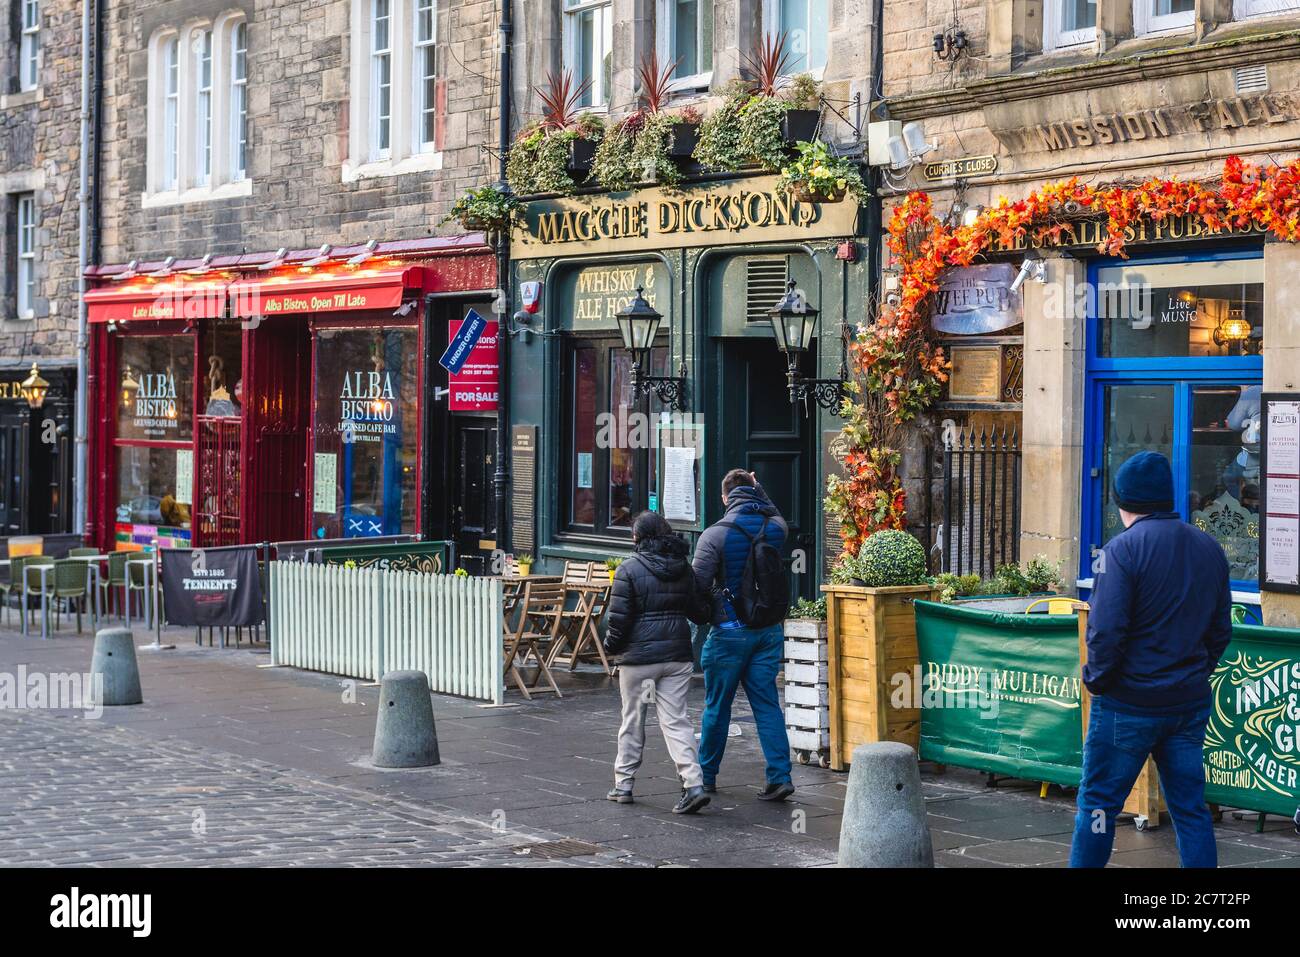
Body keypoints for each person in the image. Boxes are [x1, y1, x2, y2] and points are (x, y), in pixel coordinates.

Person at [1070, 450, 1232, 868]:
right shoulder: (1208, 547)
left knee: (1100, 807)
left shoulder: (1119, 551)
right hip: (1186, 704)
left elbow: (1104, 632)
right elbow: (1220, 631)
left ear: (1121, 500)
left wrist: (1097, 680)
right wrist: (1194, 672)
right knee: (1190, 810)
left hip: (1127, 705)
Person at [692, 468, 794, 801]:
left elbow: (696, 586)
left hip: (729, 632)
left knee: (717, 706)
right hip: (767, 631)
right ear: (753, 491)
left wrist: (707, 615)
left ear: (724, 498)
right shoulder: (775, 528)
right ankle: (779, 776)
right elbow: (776, 513)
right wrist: (759, 489)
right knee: (767, 704)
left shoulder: (714, 535)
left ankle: (705, 777)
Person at [603, 511, 712, 815]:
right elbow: (700, 613)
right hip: (676, 656)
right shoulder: (683, 568)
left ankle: (623, 785)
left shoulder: (628, 569)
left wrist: (611, 647)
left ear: (638, 537)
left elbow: (619, 621)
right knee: (676, 720)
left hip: (638, 659)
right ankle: (693, 784)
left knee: (632, 720)